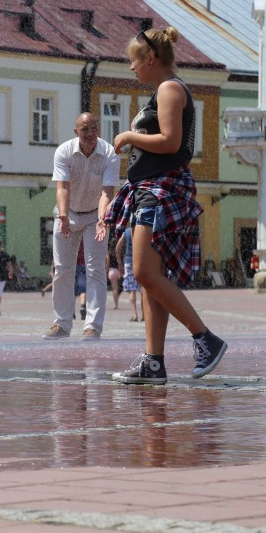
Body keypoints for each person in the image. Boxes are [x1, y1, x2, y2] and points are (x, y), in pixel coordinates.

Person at [106, 27, 227, 384]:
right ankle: (153, 362)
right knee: (150, 279)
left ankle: (206, 338)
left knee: (144, 273)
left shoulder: (170, 89)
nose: (131, 68)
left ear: (150, 59)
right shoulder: (163, 91)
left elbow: (171, 142)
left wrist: (129, 136)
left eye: (133, 60)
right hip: (150, 189)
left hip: (162, 189)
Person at [42, 112, 120, 341]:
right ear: (76, 131)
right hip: (68, 214)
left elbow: (107, 191)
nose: (90, 133)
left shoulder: (109, 153)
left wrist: (102, 219)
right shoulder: (64, 151)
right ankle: (62, 324)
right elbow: (62, 187)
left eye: (94, 128)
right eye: (85, 129)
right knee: (63, 270)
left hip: (94, 217)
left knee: (95, 270)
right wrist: (64, 216)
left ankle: (92, 327)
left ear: (99, 130)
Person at [116, 227, 144, 322]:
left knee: (131, 290)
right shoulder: (144, 229)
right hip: (141, 262)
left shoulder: (127, 232)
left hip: (129, 262)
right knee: (143, 290)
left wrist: (119, 263)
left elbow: (117, 249)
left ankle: (134, 314)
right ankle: (144, 315)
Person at [107, 236, 122, 310]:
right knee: (118, 288)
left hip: (111, 271)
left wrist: (106, 272)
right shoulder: (118, 252)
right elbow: (120, 261)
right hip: (118, 271)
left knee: (114, 288)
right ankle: (117, 303)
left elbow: (107, 263)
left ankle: (115, 304)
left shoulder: (109, 253)